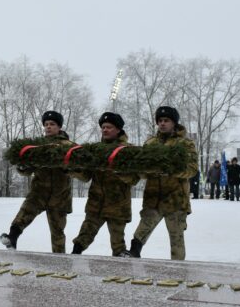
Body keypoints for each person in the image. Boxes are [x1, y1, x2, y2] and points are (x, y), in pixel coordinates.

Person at [127, 106, 198, 261]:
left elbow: (192, 169)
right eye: (160, 121)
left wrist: (171, 171)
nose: (162, 124)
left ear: (174, 123)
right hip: (153, 199)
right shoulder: (151, 143)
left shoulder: (185, 144)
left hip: (176, 200)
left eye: (166, 120)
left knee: (176, 239)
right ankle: (132, 257)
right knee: (140, 233)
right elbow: (142, 171)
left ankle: (178, 271)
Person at [0, 110, 73, 253]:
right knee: (23, 215)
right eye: (46, 124)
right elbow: (27, 170)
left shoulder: (69, 146)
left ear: (59, 127)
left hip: (60, 196)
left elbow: (78, 169)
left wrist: (67, 168)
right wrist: (22, 166)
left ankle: (60, 259)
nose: (48, 127)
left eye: (52, 124)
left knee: (57, 232)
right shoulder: (36, 147)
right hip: (39, 192)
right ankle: (12, 238)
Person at [70, 112, 137, 257]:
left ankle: (120, 274)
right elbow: (86, 176)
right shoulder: (94, 151)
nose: (105, 130)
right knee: (82, 238)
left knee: (118, 245)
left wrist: (120, 171)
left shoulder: (128, 151)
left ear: (118, 130)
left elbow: (134, 179)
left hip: (118, 206)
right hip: (96, 205)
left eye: (109, 127)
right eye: (103, 127)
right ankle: (73, 260)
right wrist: (72, 170)